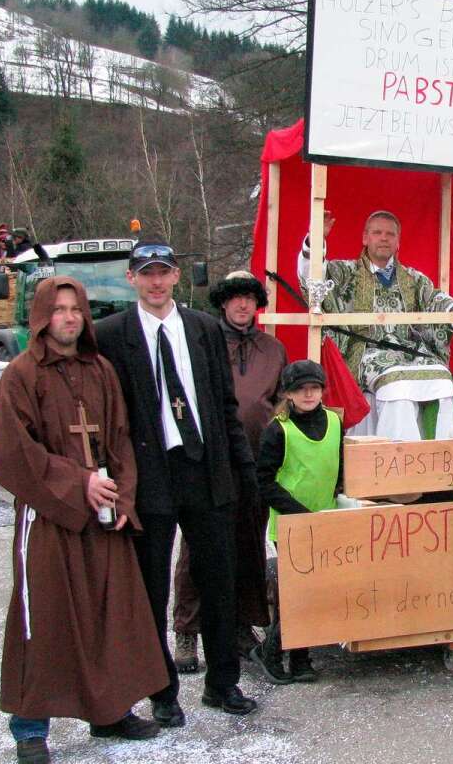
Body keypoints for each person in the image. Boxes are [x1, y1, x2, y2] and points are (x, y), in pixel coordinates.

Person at [0, 276, 168, 764]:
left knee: (109, 613)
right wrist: (78, 484)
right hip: (49, 516)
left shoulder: (101, 369)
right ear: (42, 317)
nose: (69, 318)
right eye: (59, 309)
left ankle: (109, 712)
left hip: (103, 515)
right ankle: (30, 727)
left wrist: (122, 499)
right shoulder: (22, 375)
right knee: (44, 618)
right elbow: (13, 452)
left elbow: (120, 439)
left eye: (76, 309)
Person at [96, 238, 262, 726]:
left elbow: (224, 403)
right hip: (151, 476)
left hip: (206, 469)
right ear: (132, 278)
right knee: (151, 588)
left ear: (175, 277)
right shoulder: (111, 334)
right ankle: (161, 690)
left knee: (218, 579)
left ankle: (222, 682)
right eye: (145, 272)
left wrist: (242, 468)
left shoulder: (204, 329)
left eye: (163, 271)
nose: (155, 280)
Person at [172, 271, 281, 672]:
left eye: (249, 298)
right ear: (223, 302)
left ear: (257, 304)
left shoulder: (273, 350)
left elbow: (281, 403)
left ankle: (240, 623)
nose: (242, 305)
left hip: (256, 461)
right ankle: (187, 629)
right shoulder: (200, 343)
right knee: (198, 547)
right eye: (235, 298)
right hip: (211, 460)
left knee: (249, 542)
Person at [299, 210, 453, 441]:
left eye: (390, 234)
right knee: (398, 388)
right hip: (366, 352)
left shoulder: (414, 279)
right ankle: (398, 463)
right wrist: (315, 240)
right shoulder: (345, 272)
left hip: (409, 351)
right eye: (377, 232)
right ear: (365, 238)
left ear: (398, 241)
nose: (384, 238)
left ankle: (441, 456)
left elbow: (435, 300)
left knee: (443, 383)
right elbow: (312, 278)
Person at [252, 360, 344, 684]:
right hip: (291, 523)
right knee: (296, 593)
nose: (308, 394)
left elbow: (339, 469)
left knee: (315, 591)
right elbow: (263, 480)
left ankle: (302, 659)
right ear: (289, 394)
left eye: (314, 388)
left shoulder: (334, 422)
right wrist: (296, 511)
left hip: (325, 519)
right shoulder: (279, 429)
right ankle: (271, 652)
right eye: (301, 389)